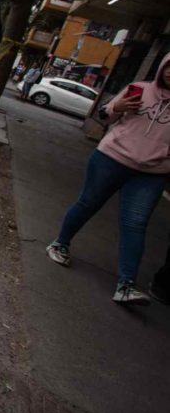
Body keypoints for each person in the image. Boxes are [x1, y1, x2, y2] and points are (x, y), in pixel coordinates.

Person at [45, 55, 170, 305]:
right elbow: (105, 116)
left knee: (135, 224)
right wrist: (117, 107)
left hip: (151, 173)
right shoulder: (141, 89)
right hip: (110, 159)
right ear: (162, 67)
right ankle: (60, 244)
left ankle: (126, 285)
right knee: (88, 203)